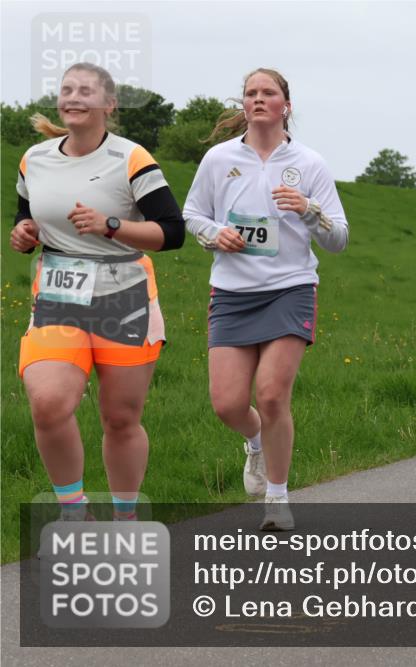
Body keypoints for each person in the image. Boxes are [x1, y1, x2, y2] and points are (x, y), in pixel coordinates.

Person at [10, 63, 185, 521]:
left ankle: (125, 516)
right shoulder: (35, 159)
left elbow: (172, 232)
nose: (73, 97)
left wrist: (113, 226)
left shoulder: (131, 159)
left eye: (86, 91)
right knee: (48, 404)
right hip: (58, 294)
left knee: (120, 419)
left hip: (123, 295)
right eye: (67, 89)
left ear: (109, 104)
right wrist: (23, 232)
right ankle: (74, 511)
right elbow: (27, 217)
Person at [183, 68, 349, 531]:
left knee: (273, 395)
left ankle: (277, 498)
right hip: (233, 293)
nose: (258, 99)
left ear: (285, 105)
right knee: (227, 404)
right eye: (251, 93)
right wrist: (216, 234)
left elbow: (339, 239)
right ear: (244, 104)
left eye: (268, 93)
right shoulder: (218, 160)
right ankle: (254, 442)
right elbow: (191, 214)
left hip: (290, 288)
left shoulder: (310, 164)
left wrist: (308, 210)